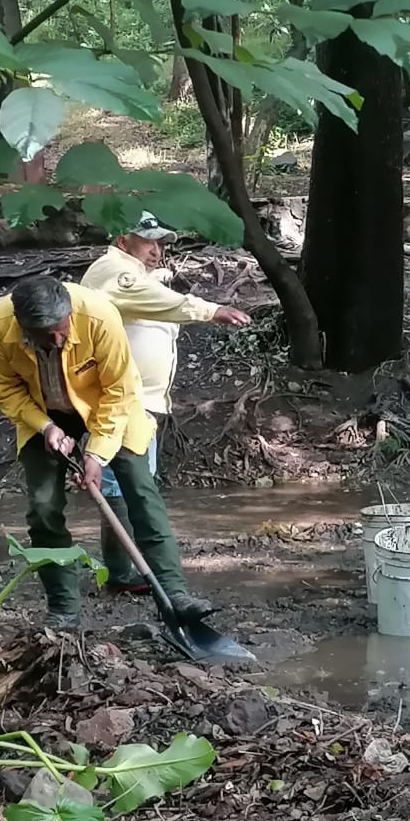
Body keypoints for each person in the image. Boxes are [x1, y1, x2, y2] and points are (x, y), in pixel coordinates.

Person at [0, 275, 214, 629]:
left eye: (61, 330)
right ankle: (63, 610)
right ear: (22, 326)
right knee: (43, 508)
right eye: (45, 336)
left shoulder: (100, 316)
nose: (57, 341)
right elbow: (4, 389)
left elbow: (119, 389)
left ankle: (175, 595)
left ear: (69, 313)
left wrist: (97, 454)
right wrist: (46, 427)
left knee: (141, 492)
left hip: (109, 407)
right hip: (41, 412)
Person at [81, 212, 250, 593]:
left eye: (160, 243)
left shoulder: (138, 277)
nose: (157, 250)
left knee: (136, 483)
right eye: (148, 241)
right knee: (126, 486)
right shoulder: (113, 272)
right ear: (122, 241)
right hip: (120, 400)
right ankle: (125, 574)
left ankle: (130, 570)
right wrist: (210, 310)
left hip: (141, 401)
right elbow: (153, 299)